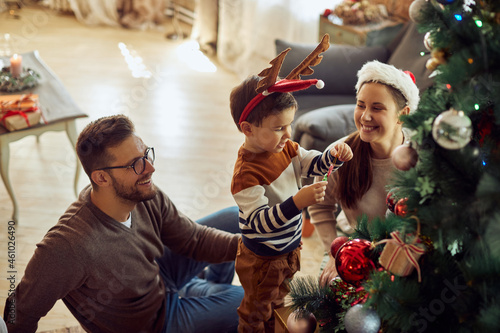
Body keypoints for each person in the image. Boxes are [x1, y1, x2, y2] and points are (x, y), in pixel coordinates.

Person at [3, 115, 244, 333]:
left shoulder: (142, 192)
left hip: (157, 278)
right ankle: (201, 298)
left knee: (234, 217)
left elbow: (194, 240)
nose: (150, 168)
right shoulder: (66, 247)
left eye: (146, 154)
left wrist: (253, 247)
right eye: (135, 164)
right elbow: (19, 311)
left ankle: (200, 295)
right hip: (152, 324)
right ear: (102, 177)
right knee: (244, 301)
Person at [229, 69, 353, 332]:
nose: (288, 133)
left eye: (289, 125)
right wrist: (297, 202)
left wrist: (334, 155)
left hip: (288, 250)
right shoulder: (246, 174)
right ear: (247, 129)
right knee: (256, 310)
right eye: (278, 127)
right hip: (262, 259)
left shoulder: (286, 147)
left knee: (277, 301)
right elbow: (259, 222)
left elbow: (314, 164)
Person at [308, 60, 420, 287]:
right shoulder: (338, 154)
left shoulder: (421, 156)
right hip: (351, 244)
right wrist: (333, 250)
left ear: (403, 115)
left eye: (377, 108)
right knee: (329, 296)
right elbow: (318, 204)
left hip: (403, 247)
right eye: (361, 105)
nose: (365, 116)